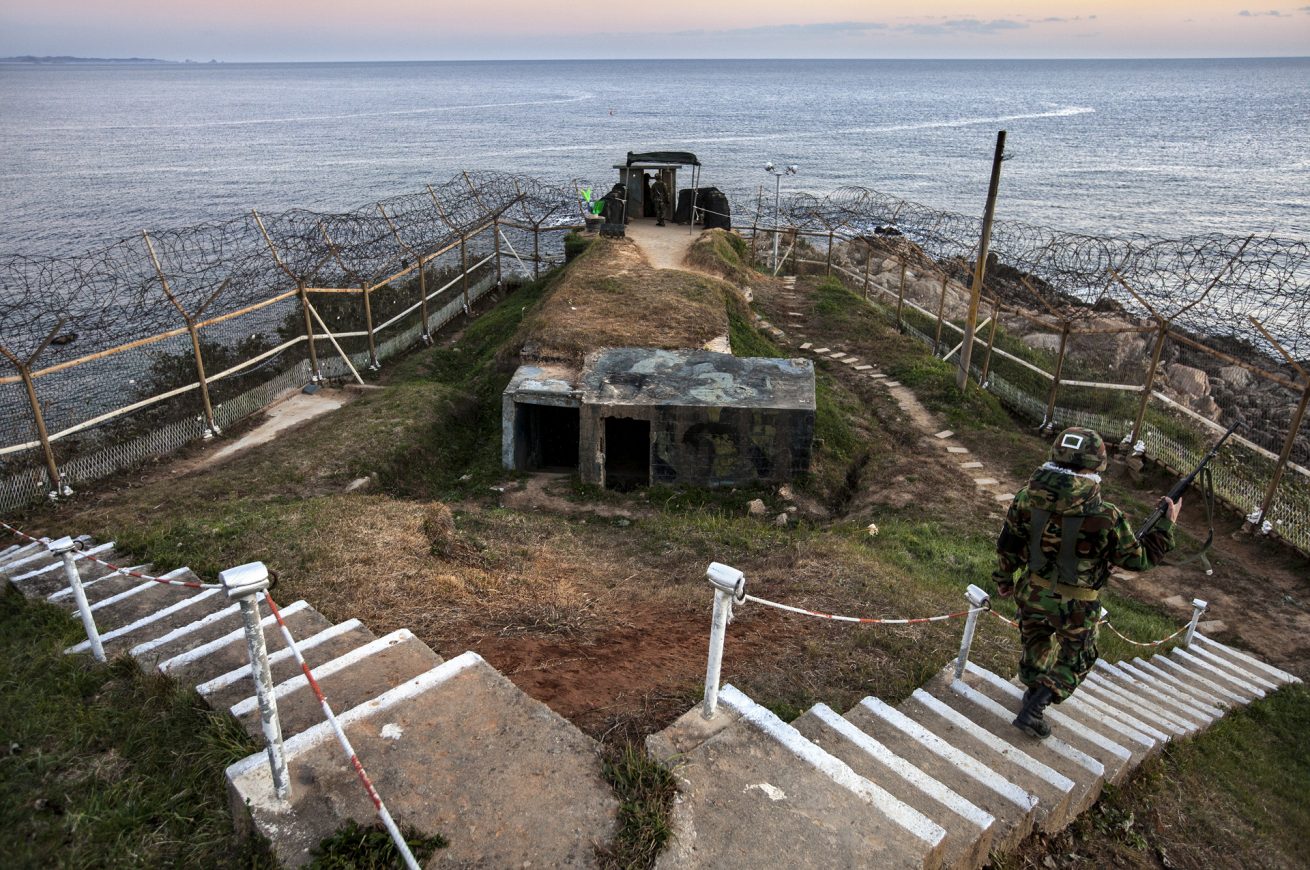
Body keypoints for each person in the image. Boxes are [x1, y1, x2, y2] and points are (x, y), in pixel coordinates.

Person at [992, 426, 1180, 739]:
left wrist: (1003, 578)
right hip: (1076, 606)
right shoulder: (1106, 514)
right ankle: (1037, 705)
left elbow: (1008, 543)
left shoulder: (1026, 498)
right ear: (1094, 467)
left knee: (1034, 645)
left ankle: (1032, 691)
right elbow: (1138, 560)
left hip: (1032, 592)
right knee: (1077, 657)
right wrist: (1165, 527)